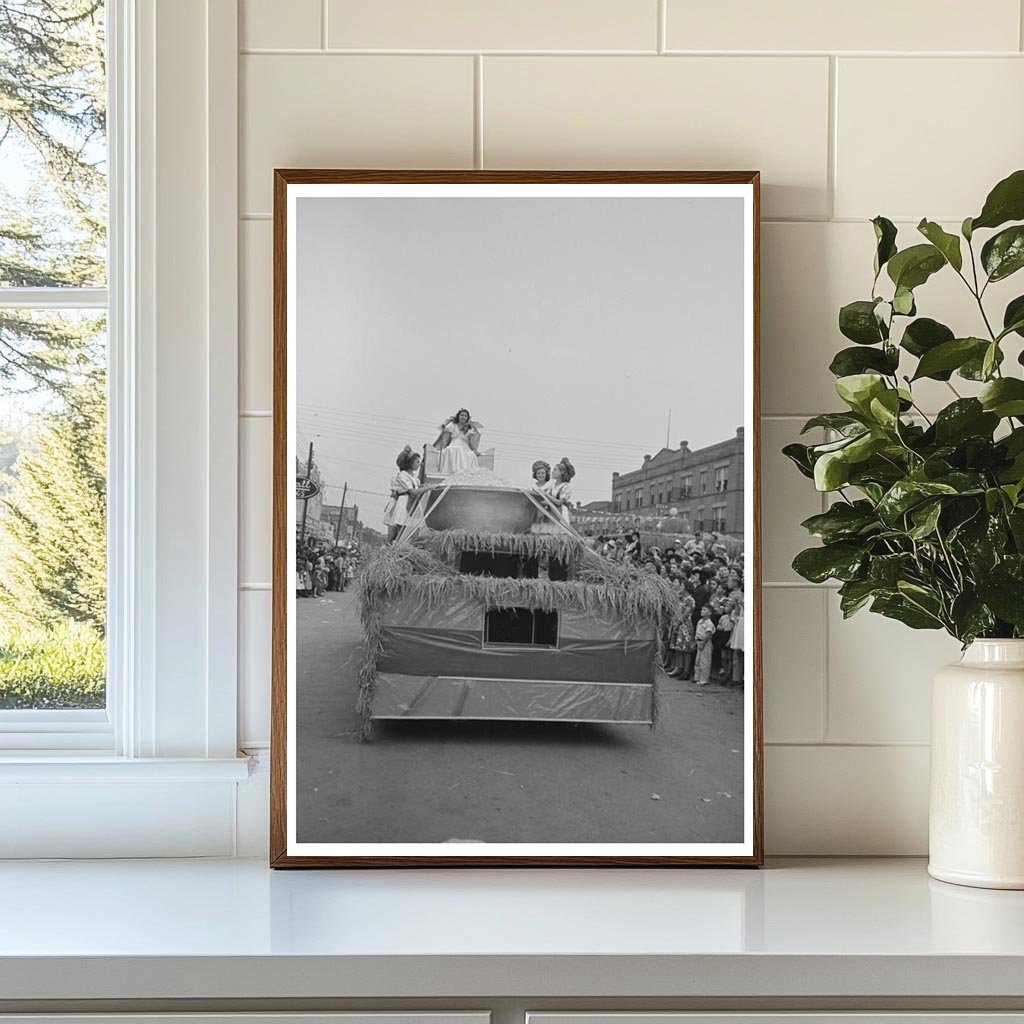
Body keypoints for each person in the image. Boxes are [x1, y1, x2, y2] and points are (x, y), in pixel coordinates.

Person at [383, 448, 429, 543]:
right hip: (404, 503)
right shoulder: (403, 475)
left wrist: (423, 486)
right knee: (402, 530)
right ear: (410, 463)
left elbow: (416, 487)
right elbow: (412, 492)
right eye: (417, 462)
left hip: (413, 503)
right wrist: (428, 488)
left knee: (412, 531)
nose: (418, 464)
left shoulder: (413, 477)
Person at [434, 408, 481, 477]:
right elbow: (446, 437)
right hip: (453, 444)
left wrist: (475, 450)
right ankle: (454, 471)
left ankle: (464, 473)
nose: (463, 417)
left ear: (467, 418)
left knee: (470, 454)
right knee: (452, 450)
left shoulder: (469, 428)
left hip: (465, 447)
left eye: (465, 416)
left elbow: (470, 442)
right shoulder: (453, 425)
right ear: (458, 416)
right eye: (462, 415)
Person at [694, 605, 716, 685]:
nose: (702, 611)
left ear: (709, 613)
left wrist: (703, 644)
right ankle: (697, 677)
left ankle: (704, 679)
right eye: (702, 609)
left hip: (705, 643)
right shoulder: (700, 621)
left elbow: (708, 634)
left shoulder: (709, 623)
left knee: (705, 661)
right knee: (698, 661)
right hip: (698, 641)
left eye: (704, 610)